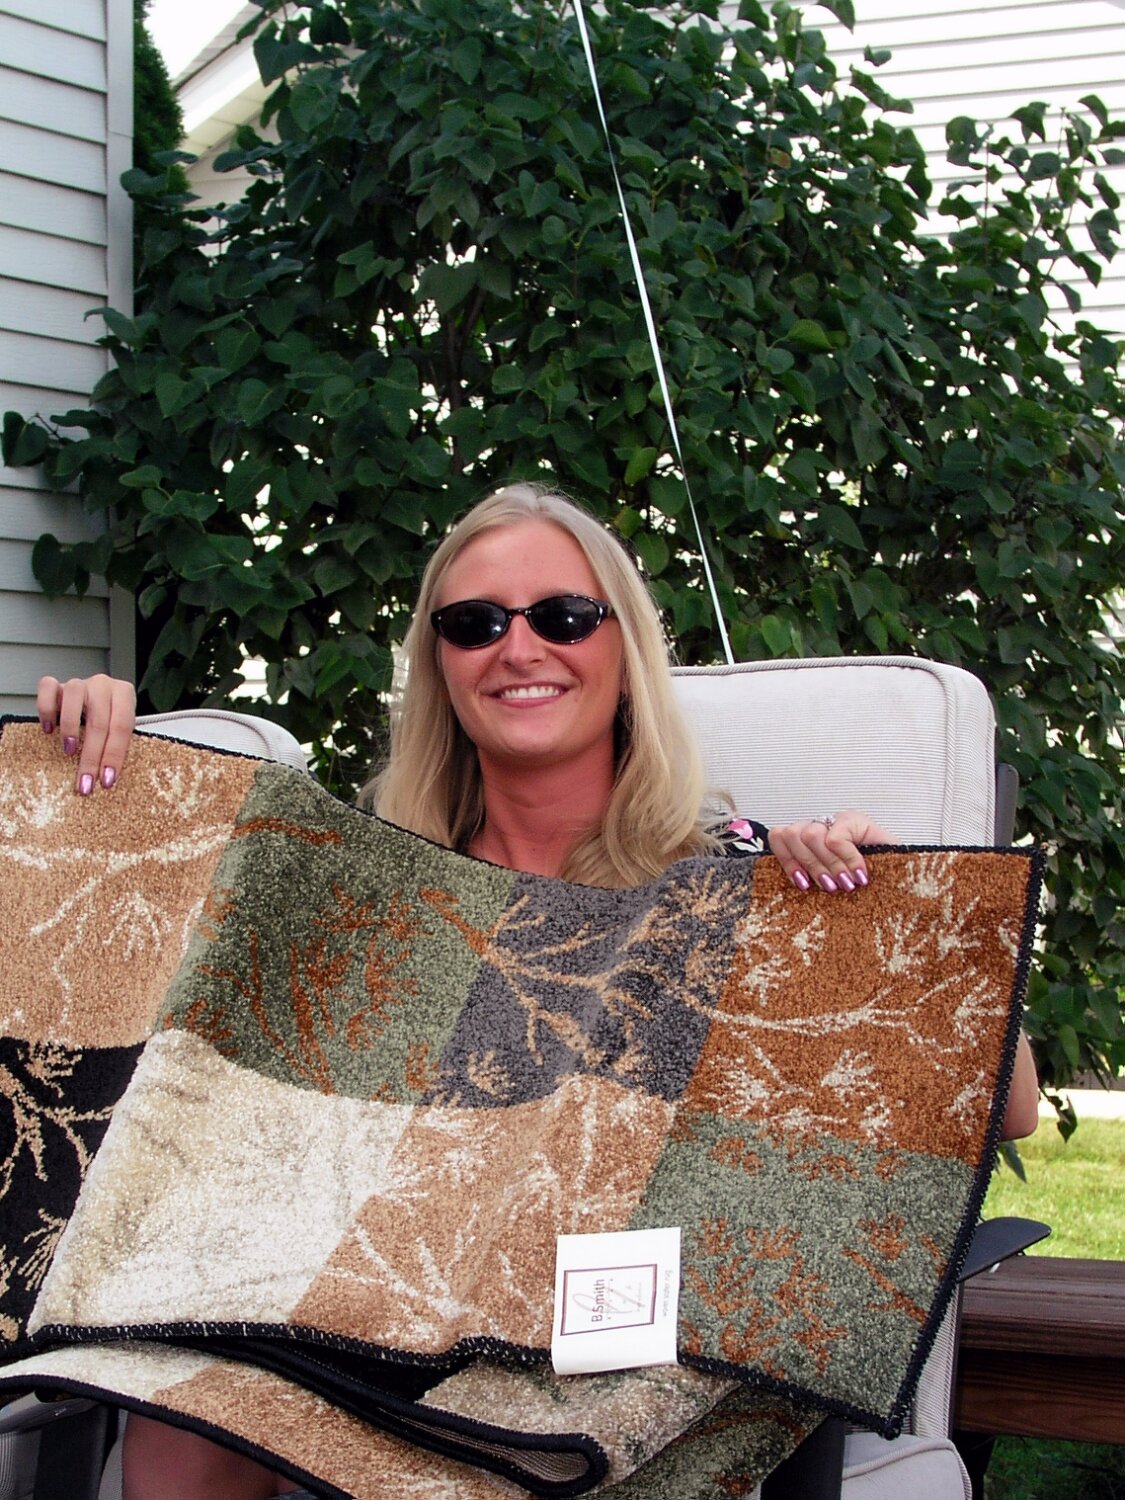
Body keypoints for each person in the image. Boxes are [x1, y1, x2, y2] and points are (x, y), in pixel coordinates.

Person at [35, 482, 1040, 1500]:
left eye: (562, 616)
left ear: (624, 649)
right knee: (180, 1408)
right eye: (474, 624)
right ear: (439, 664)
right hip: (368, 1307)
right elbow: (141, 1027)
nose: (518, 649)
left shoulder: (732, 880)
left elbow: (1006, 1107)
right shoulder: (371, 893)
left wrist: (897, 922)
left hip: (606, 1339)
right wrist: (93, 776)